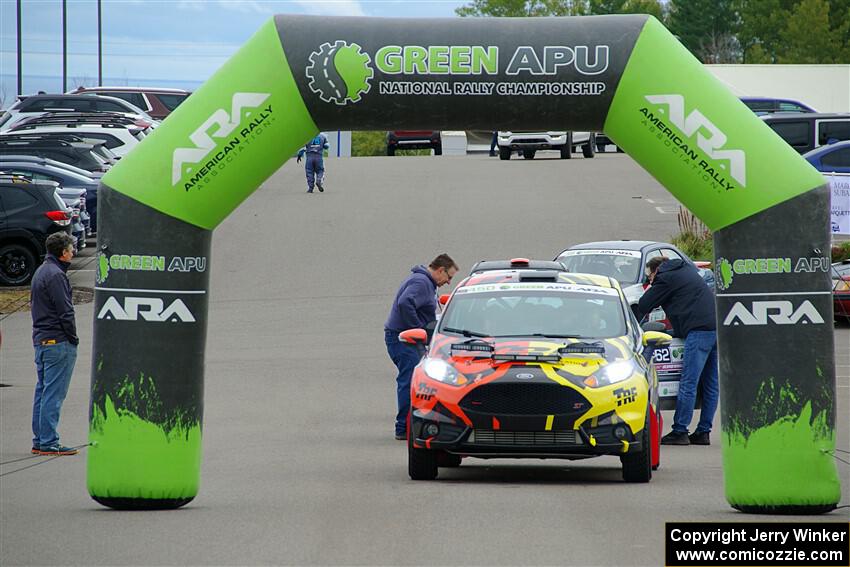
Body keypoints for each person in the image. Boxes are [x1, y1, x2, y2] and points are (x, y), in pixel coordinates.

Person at [638, 256, 718, 446]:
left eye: (650, 276)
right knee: (710, 384)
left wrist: (653, 286)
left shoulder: (665, 278)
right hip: (714, 328)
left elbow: (643, 304)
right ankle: (703, 431)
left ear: (656, 270)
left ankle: (680, 430)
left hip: (697, 331)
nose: (650, 280)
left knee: (689, 382)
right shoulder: (686, 270)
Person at [384, 254, 459, 440]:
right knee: (410, 381)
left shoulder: (424, 281)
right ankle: (403, 427)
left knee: (416, 380)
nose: (448, 282)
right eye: (448, 277)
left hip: (405, 338)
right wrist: (418, 328)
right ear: (440, 270)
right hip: (403, 339)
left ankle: (410, 425)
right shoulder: (421, 282)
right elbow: (405, 303)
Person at [30, 232, 79, 456]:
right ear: (62, 252)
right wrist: (73, 337)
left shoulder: (41, 271)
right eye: (71, 249)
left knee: (43, 391)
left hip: (41, 340)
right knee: (53, 394)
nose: (73, 253)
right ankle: (49, 441)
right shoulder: (57, 275)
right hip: (57, 341)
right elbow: (65, 311)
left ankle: (40, 439)